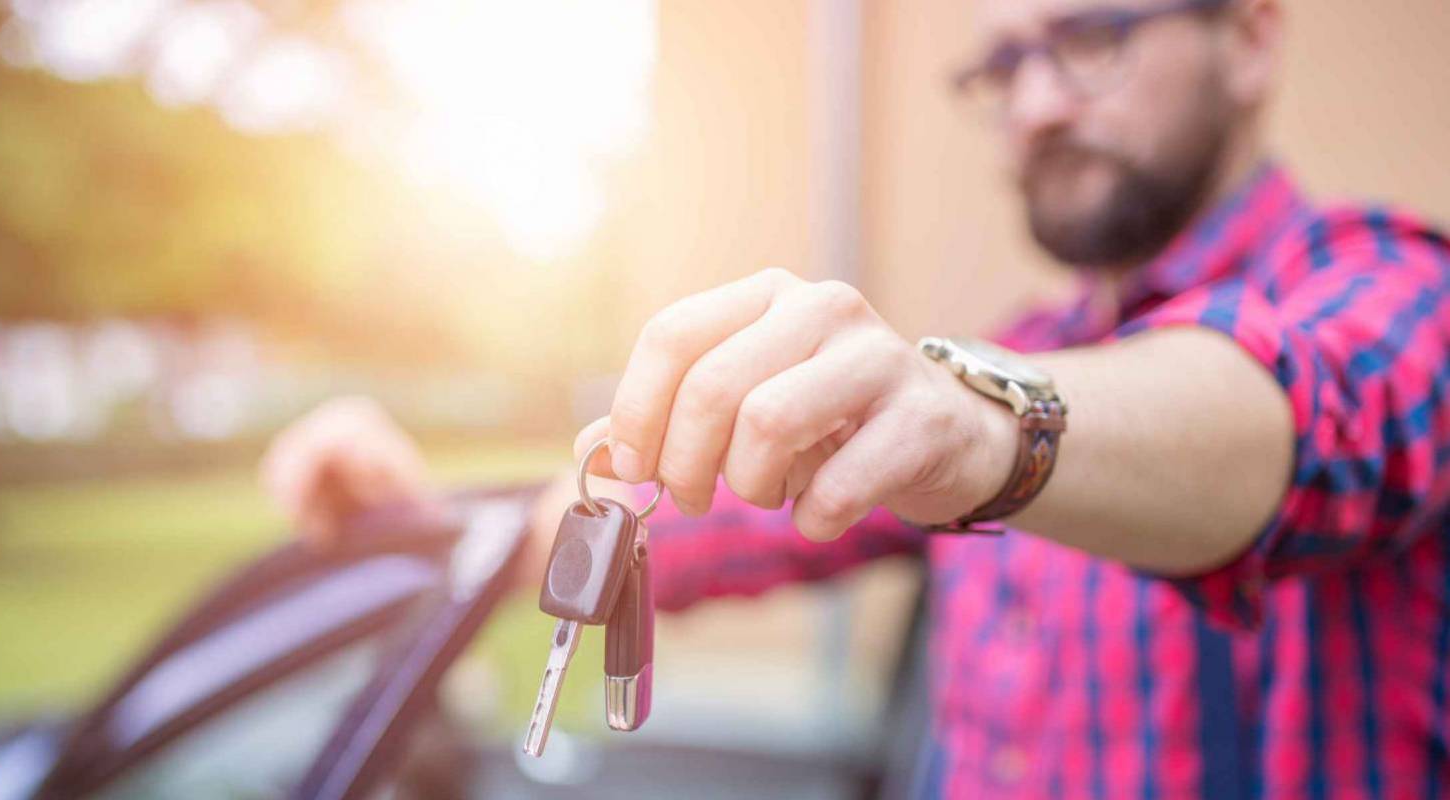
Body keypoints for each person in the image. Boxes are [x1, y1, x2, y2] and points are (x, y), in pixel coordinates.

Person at [259, 0, 1450, 795]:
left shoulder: (1400, 288)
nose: (1036, 105)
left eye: (1090, 37)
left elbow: (1302, 419)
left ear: (1248, 38)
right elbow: (710, 518)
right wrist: (435, 516)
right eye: (1003, 66)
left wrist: (988, 422)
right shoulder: (1021, 347)